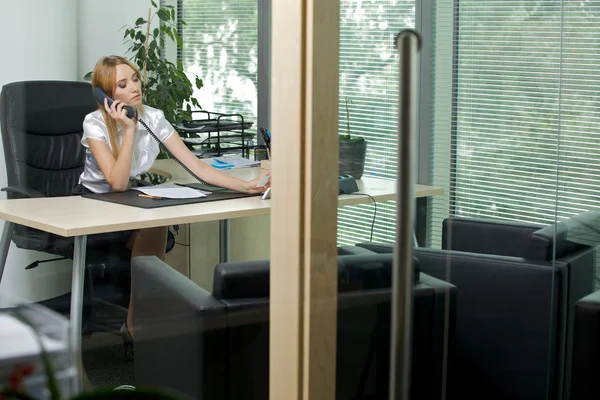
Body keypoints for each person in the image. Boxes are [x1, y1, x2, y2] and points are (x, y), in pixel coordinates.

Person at [74, 55, 270, 356]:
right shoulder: (96, 122)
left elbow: (196, 166)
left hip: (127, 200)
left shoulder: (153, 117)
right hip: (93, 201)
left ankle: (138, 325)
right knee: (150, 229)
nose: (133, 88)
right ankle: (142, 326)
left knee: (159, 218)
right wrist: (128, 130)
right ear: (107, 96)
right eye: (122, 85)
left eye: (135, 79)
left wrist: (247, 186)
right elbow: (116, 182)